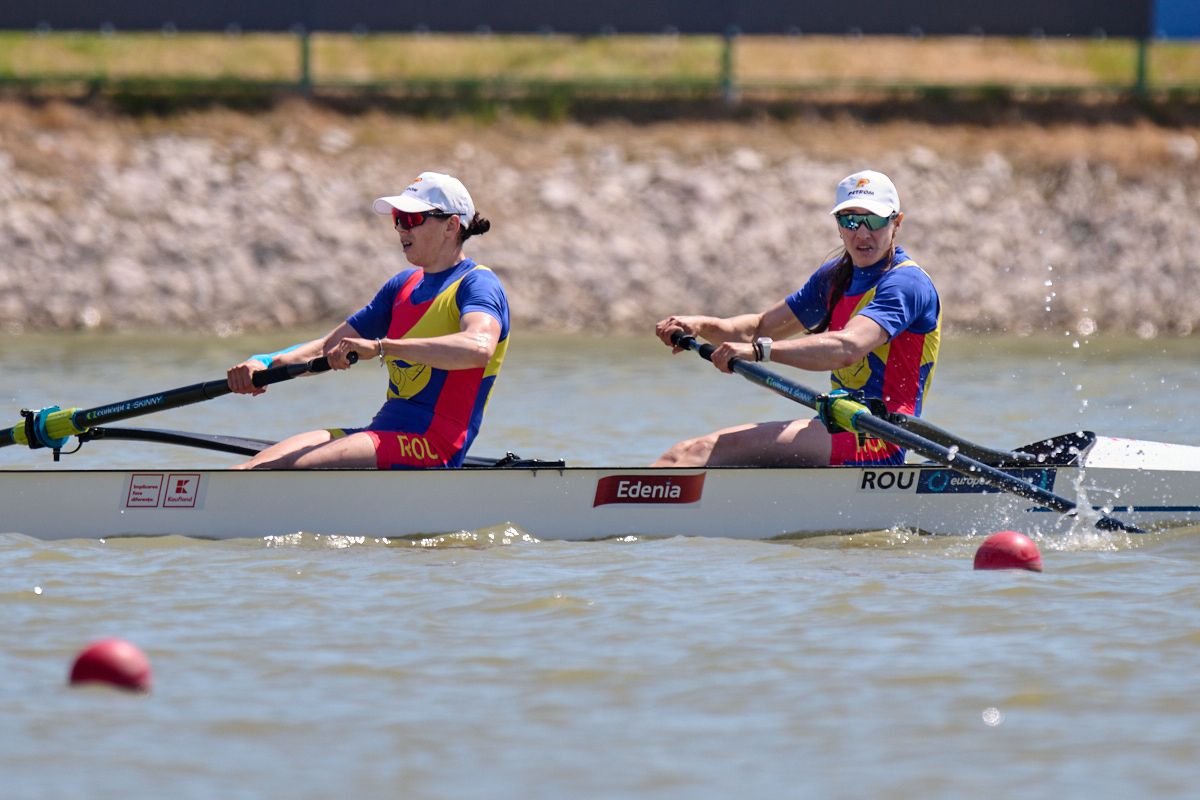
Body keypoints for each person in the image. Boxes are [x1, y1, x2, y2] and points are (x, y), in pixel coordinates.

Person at [653, 169, 940, 468]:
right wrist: (701, 325)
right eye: (850, 220)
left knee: (698, 454)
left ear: (897, 222)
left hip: (877, 439)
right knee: (681, 453)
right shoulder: (835, 277)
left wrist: (759, 352)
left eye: (875, 220)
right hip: (836, 426)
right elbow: (761, 327)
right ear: (838, 225)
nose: (862, 233)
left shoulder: (906, 283)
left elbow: (848, 348)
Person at [226, 171, 509, 469]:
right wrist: (263, 363)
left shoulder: (477, 284)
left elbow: (479, 348)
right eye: (398, 219)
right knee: (255, 466)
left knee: (294, 467)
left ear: (451, 226)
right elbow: (326, 348)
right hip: (384, 433)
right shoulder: (402, 286)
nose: (401, 229)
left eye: (412, 219)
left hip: (433, 446)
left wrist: (382, 347)